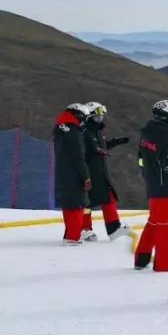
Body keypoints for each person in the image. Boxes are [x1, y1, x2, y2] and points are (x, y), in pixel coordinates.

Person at [134, 99, 168, 271]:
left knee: (154, 223)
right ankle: (163, 264)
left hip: (152, 183)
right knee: (165, 226)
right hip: (166, 188)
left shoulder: (147, 132)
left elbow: (141, 157)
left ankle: (141, 258)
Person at [82, 102, 130, 241]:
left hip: (100, 172)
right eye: (97, 117)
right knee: (87, 203)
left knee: (109, 198)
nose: (100, 119)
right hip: (89, 173)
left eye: (101, 116)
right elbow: (81, 153)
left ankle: (113, 229)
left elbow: (102, 146)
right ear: (89, 117)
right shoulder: (84, 133)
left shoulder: (97, 133)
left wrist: (117, 141)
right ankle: (85, 229)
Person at [53, 103, 92, 245]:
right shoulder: (74, 132)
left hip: (61, 171)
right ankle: (73, 238)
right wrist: (86, 176)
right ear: (79, 116)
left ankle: (69, 235)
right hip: (74, 173)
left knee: (68, 204)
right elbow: (78, 157)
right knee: (77, 205)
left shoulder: (60, 129)